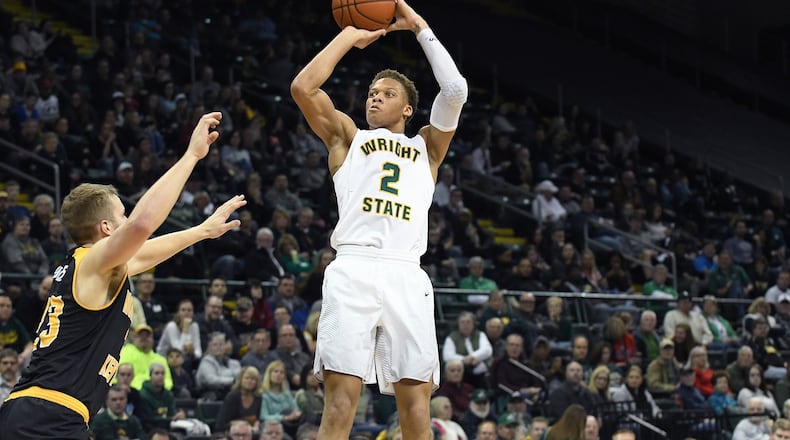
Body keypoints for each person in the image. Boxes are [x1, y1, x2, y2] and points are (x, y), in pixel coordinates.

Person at [0, 112, 245, 439]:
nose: (128, 220)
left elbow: (144, 251)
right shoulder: (93, 262)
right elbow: (143, 226)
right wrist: (192, 156)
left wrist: (201, 231)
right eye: (122, 216)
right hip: (46, 415)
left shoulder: (94, 268)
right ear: (106, 228)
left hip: (47, 413)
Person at [290, 0, 468, 437]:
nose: (375, 97)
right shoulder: (348, 137)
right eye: (372, 92)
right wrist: (350, 36)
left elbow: (456, 92)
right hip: (353, 267)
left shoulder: (427, 147)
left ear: (408, 110)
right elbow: (303, 88)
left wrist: (419, 26)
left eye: (387, 94)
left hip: (406, 273)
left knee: (416, 409)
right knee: (340, 405)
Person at [215, 366, 263, 435]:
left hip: (253, 433)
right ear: (241, 380)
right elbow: (221, 423)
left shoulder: (258, 397)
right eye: (247, 378)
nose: (249, 381)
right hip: (233, 433)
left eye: (253, 379)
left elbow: (260, 418)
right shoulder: (232, 397)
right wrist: (244, 425)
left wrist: (257, 424)